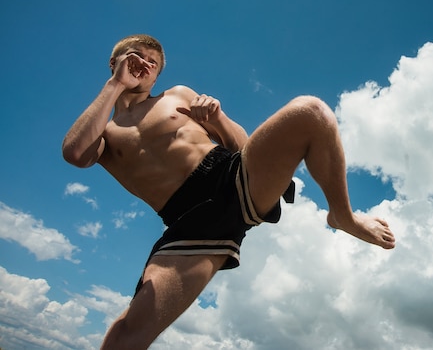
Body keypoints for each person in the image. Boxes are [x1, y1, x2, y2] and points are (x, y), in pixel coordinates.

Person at [62, 34, 395, 349]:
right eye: (136, 57)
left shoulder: (176, 95)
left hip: (232, 175)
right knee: (126, 337)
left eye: (153, 63)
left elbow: (244, 146)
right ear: (115, 62)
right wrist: (117, 84)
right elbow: (75, 153)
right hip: (190, 224)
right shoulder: (103, 131)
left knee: (311, 111)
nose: (145, 65)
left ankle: (343, 215)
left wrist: (218, 119)